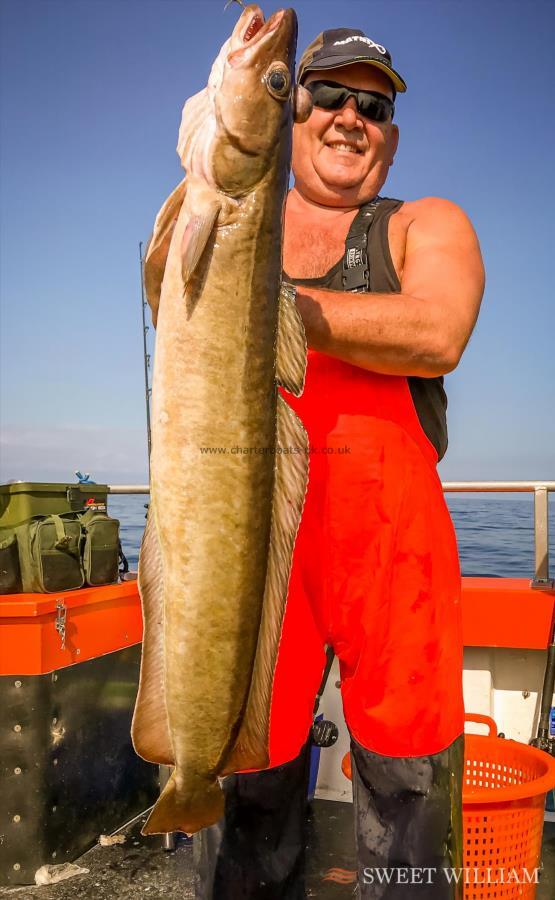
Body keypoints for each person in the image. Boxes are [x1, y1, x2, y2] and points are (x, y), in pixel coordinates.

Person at [195, 27, 485, 899]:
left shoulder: (424, 224)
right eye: (325, 95)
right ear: (289, 115)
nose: (349, 117)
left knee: (408, 800)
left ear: (390, 134)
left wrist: (282, 310)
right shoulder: (231, 216)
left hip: (394, 563)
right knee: (248, 790)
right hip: (257, 557)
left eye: (374, 104)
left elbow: (436, 332)